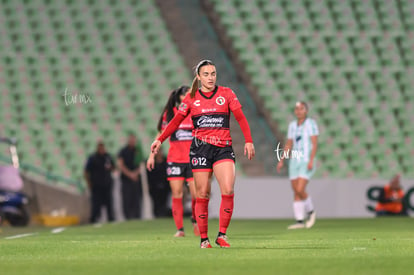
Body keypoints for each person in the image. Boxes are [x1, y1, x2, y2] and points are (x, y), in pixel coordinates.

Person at [151, 59, 255, 248]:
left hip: (223, 147)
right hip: (200, 149)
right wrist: (160, 140)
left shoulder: (227, 93)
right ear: (198, 77)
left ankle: (222, 235)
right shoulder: (192, 98)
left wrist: (248, 141)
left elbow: (240, 117)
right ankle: (204, 239)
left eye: (213, 74)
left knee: (228, 189)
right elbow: (174, 122)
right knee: (202, 193)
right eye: (206, 74)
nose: (210, 77)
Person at [147, 85, 199, 237]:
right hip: (175, 160)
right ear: (180, 98)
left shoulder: (195, 113)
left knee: (196, 194)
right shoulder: (170, 114)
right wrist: (151, 156)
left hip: (192, 159)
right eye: (188, 94)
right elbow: (160, 134)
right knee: (177, 193)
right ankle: (180, 229)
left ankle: (195, 220)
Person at [276, 101, 318, 229]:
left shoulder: (311, 124)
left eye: (301, 108)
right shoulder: (293, 125)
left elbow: (314, 143)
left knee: (300, 189)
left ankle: (311, 212)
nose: (299, 111)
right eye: (297, 109)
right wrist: (282, 159)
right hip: (295, 160)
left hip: (305, 160)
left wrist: (311, 160)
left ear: (306, 110)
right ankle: (299, 221)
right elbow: (289, 143)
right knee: (295, 190)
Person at [84, 141, 115, 223]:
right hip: (96, 185)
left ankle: (110, 218)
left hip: (107, 184)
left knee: (109, 203)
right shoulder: (93, 158)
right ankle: (93, 219)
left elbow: (113, 167)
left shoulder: (107, 157)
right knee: (96, 204)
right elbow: (86, 171)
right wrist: (89, 183)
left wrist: (110, 167)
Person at [118, 133, 144, 220]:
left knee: (136, 199)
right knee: (127, 199)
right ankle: (127, 217)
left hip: (136, 179)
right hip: (126, 180)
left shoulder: (138, 151)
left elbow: (141, 164)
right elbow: (121, 165)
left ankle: (137, 216)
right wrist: (130, 174)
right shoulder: (123, 151)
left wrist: (135, 174)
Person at [146, 151, 171, 218]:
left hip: (165, 185)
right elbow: (149, 175)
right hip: (154, 186)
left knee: (164, 201)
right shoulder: (152, 162)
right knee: (156, 202)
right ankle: (157, 215)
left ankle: (164, 214)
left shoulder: (166, 161)